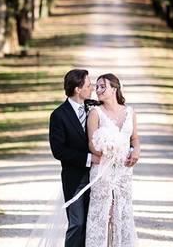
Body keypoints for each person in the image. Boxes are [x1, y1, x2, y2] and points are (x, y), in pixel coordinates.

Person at [85, 73, 139, 246]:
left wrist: (136, 151)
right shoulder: (95, 113)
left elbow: (134, 138)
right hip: (103, 171)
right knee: (101, 216)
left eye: (103, 86)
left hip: (124, 172)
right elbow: (92, 144)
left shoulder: (130, 112)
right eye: (97, 87)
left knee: (122, 214)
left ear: (114, 88)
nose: (98, 90)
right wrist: (107, 150)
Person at [49, 68, 99, 247]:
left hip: (99, 175)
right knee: (77, 223)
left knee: (93, 223)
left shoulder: (95, 107)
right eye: (88, 85)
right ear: (78, 89)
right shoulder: (58, 116)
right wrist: (88, 158)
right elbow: (58, 151)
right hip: (74, 178)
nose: (92, 88)